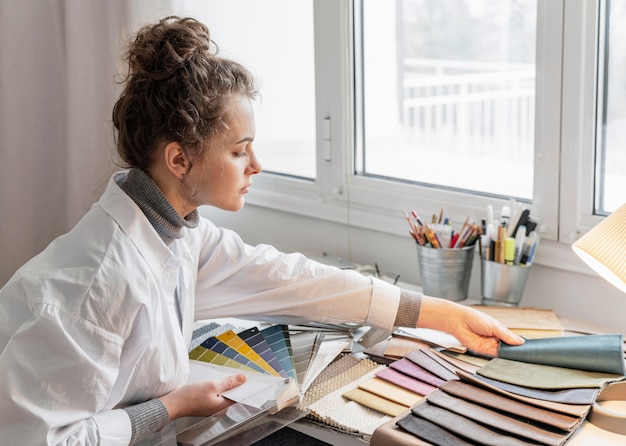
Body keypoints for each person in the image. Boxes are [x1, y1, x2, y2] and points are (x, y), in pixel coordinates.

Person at [0, 16, 524, 446]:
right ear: (179, 159)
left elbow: (289, 279)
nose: (256, 164)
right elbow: (41, 441)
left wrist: (439, 313)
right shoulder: (93, 284)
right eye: (238, 149)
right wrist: (169, 408)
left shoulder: (178, 234)